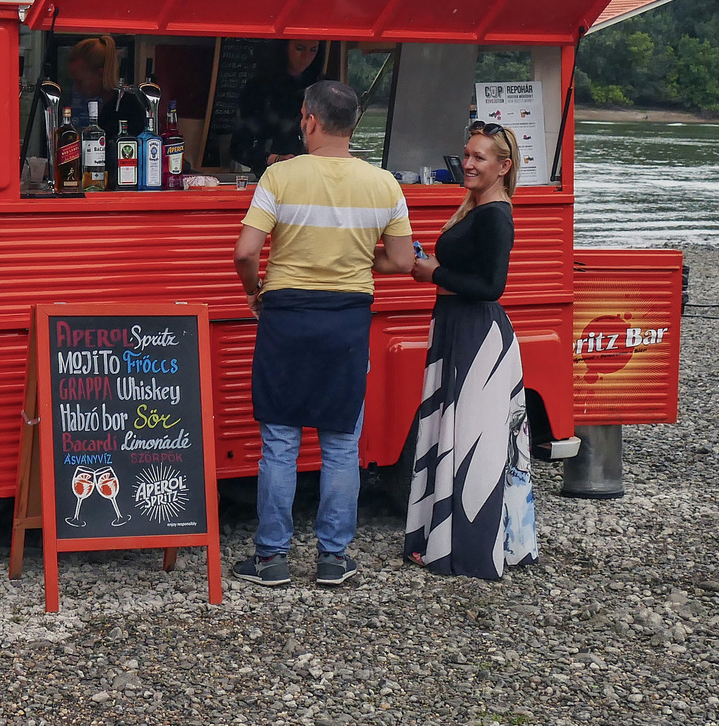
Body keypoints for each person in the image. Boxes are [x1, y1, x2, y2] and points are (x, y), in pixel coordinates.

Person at [231, 80, 414, 587]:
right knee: (339, 444)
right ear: (353, 125)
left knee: (281, 443)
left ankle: (272, 559)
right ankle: (333, 558)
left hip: (286, 317)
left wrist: (254, 291)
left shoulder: (280, 176)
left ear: (308, 119)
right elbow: (402, 259)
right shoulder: (384, 185)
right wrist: (358, 256)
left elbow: (246, 252)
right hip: (347, 322)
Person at [403, 121, 539, 580]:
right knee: (455, 436)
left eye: (479, 157)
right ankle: (446, 541)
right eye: (466, 154)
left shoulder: (495, 215)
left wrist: (433, 275)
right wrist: (436, 268)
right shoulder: (476, 208)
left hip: (478, 336)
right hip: (458, 328)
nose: (468, 164)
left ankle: (471, 552)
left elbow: (492, 287)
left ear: (503, 167)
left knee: (473, 445)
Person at [231, 39, 324, 176]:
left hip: (313, 176)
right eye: (300, 48)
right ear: (285, 47)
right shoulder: (258, 88)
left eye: (313, 50)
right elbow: (238, 148)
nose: (305, 57)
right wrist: (274, 159)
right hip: (270, 177)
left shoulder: (321, 88)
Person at [67, 35, 149, 143]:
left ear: (100, 74)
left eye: (80, 81)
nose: (75, 88)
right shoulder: (108, 105)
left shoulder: (124, 109)